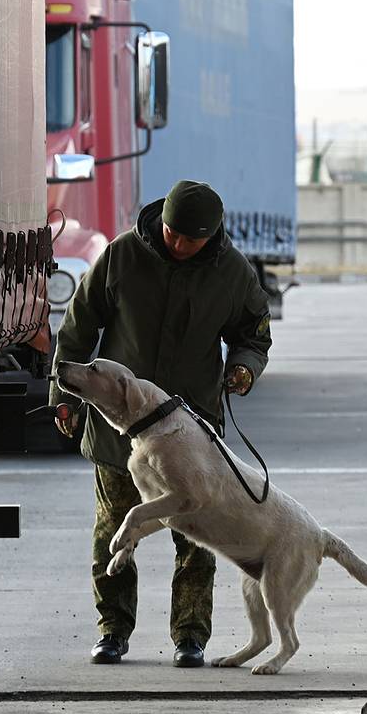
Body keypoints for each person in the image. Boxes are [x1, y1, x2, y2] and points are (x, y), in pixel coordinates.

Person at [50, 179, 273, 667]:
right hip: (118, 429)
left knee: (196, 534)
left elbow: (255, 335)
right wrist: (62, 399)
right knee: (113, 529)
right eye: (171, 232)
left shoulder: (232, 274)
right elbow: (76, 330)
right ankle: (113, 629)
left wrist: (242, 368)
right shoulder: (121, 257)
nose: (177, 244)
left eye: (189, 239)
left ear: (210, 236)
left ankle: (190, 636)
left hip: (192, 434)